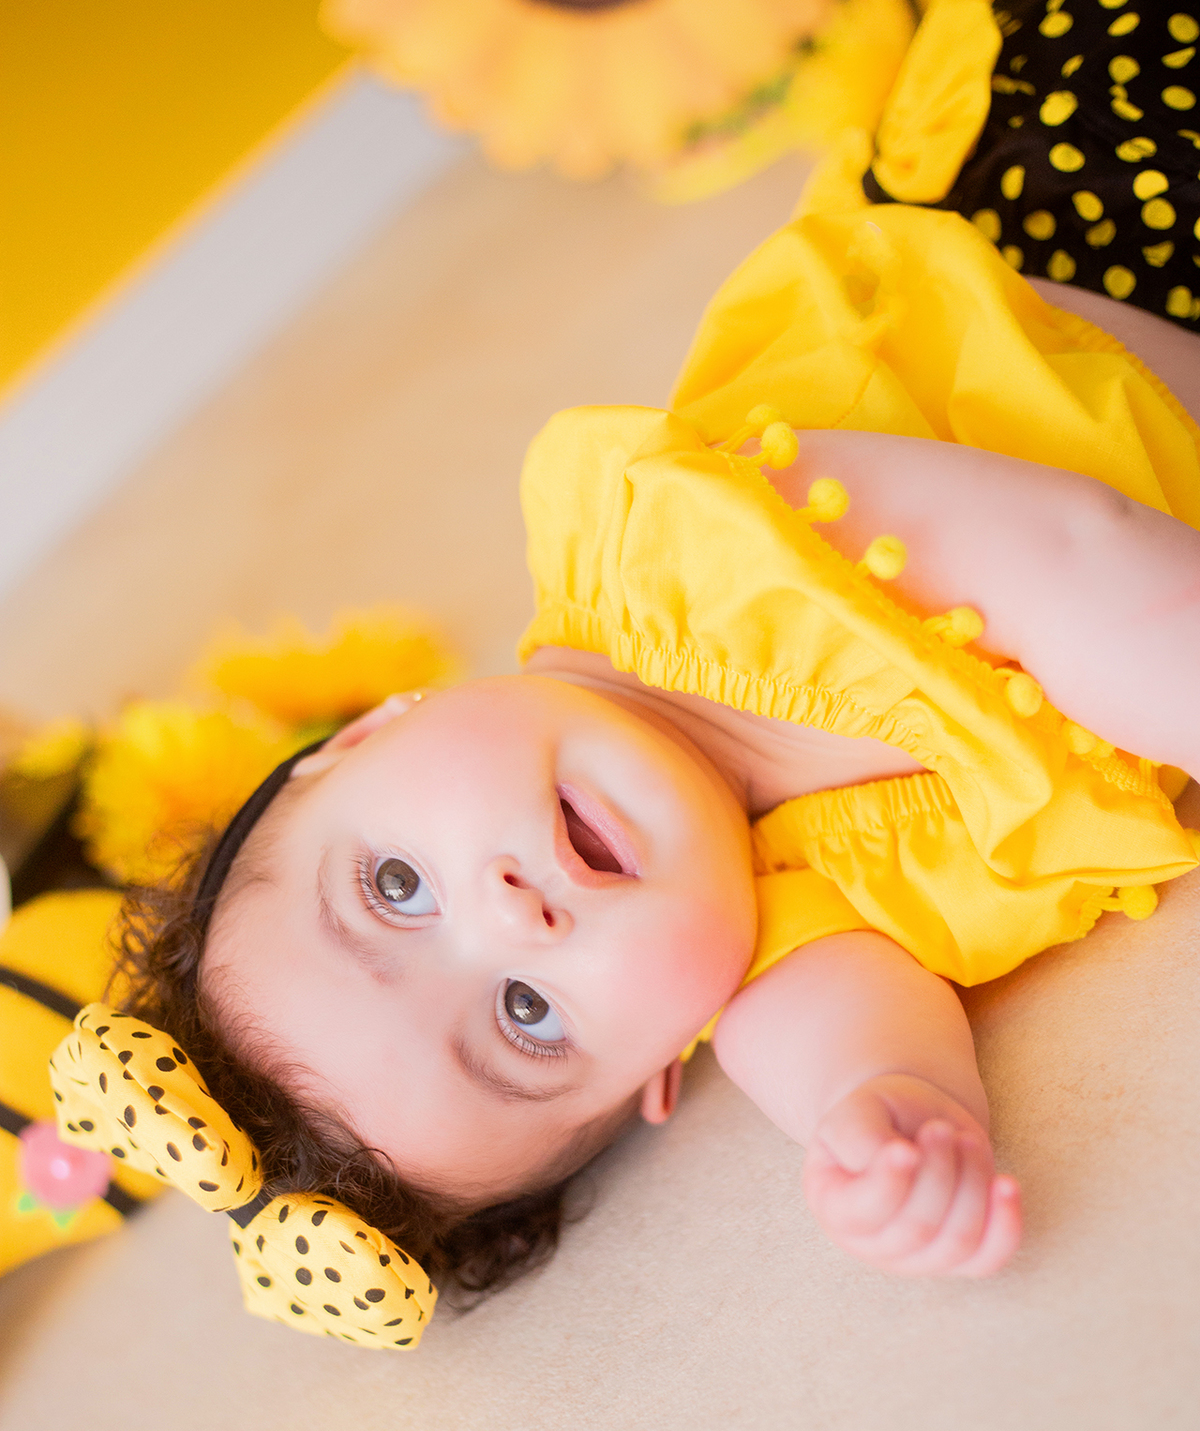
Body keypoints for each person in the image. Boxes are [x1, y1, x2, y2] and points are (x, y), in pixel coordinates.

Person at [52, 0, 1200, 1334]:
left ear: (368, 733)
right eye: (527, 1016)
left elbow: (1071, 554)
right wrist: (887, 1110)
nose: (512, 917)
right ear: (662, 1067)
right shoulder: (760, 917)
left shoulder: (685, 551)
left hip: (1103, 187)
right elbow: (823, 1023)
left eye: (397, 887)